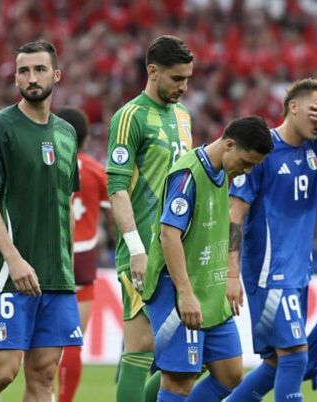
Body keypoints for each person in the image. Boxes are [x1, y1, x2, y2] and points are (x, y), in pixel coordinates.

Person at [227, 78, 317, 402]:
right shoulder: (263, 150)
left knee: (276, 363)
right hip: (269, 274)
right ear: (293, 107)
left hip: (298, 273)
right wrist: (231, 273)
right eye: (316, 110)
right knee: (295, 354)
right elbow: (235, 214)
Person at [0, 39, 82, 402]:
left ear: (56, 75)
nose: (32, 77)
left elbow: (67, 202)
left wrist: (68, 266)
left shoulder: (66, 133)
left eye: (40, 69)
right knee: (2, 372)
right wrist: (13, 260)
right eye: (24, 70)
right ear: (15, 77)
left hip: (56, 275)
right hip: (10, 271)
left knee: (44, 376)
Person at [141, 116, 273, 402]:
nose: (247, 171)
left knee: (230, 373)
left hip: (210, 288)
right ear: (228, 145)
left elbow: (225, 221)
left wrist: (229, 274)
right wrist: (185, 294)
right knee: (179, 380)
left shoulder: (225, 173)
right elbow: (169, 235)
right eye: (247, 162)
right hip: (177, 289)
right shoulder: (187, 175)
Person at [105, 34, 194, 402]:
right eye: (176, 79)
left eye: (188, 79)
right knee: (140, 345)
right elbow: (117, 188)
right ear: (152, 71)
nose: (184, 87)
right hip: (143, 249)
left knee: (197, 351)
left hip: (179, 249)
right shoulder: (130, 117)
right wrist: (135, 248)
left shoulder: (184, 116)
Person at [56, 107, 111, 402]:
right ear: (86, 137)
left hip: (46, 257)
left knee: (42, 342)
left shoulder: (44, 164)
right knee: (73, 340)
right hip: (82, 260)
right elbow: (115, 210)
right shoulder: (93, 170)